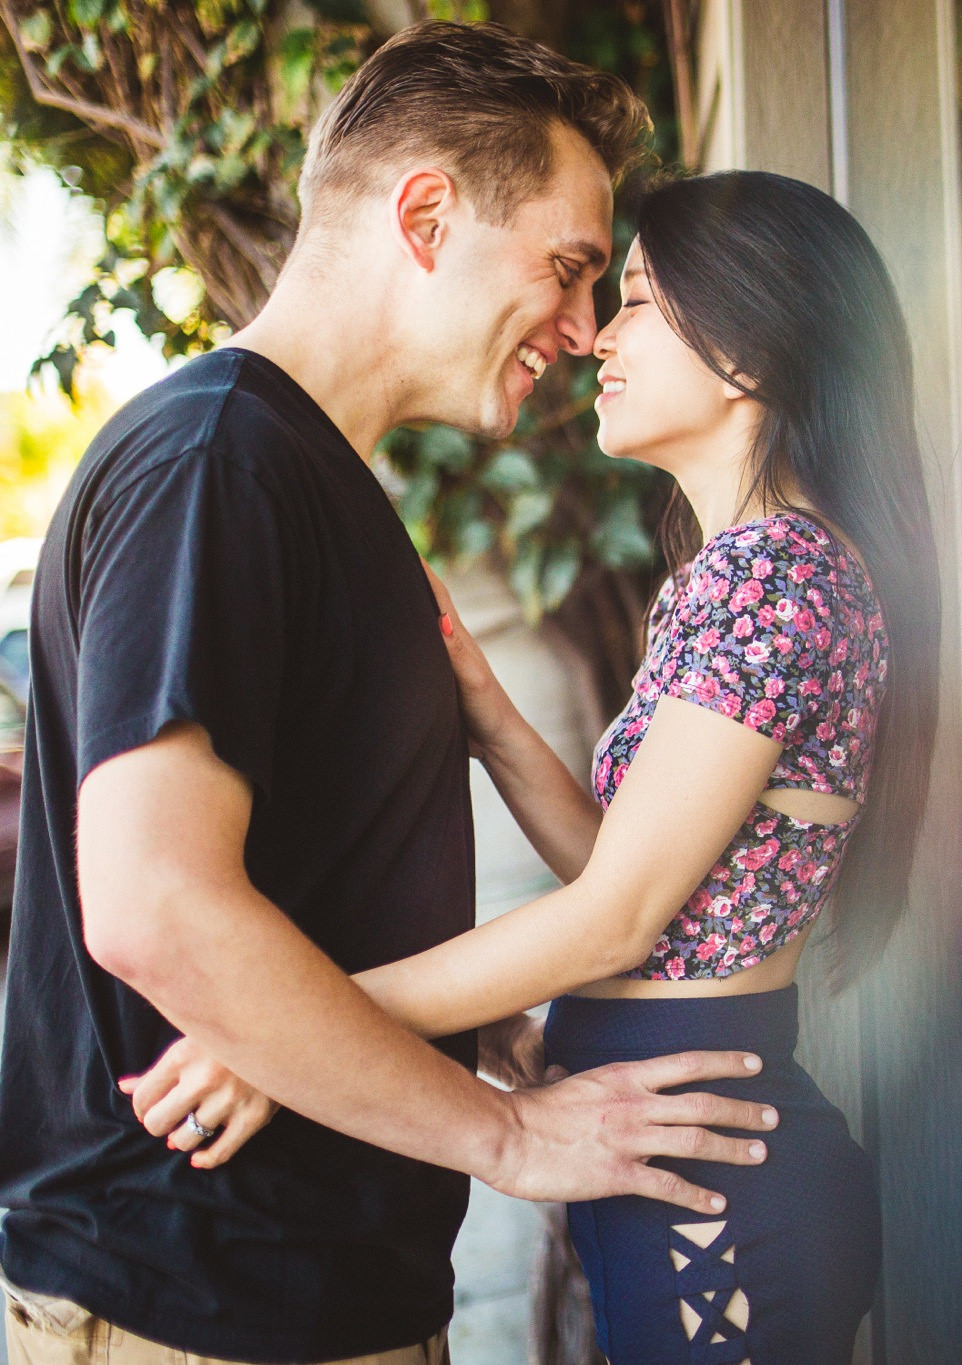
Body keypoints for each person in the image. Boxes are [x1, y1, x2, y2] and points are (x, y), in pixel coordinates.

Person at [0, 24, 779, 1365]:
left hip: (306, 1302)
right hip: (198, 1306)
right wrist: (509, 1138)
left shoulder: (309, 478)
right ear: (426, 214)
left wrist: (488, 1042)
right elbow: (156, 908)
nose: (583, 326)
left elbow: (307, 901)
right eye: (569, 267)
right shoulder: (218, 464)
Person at [123, 171, 942, 1363]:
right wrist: (486, 707)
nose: (597, 334)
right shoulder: (754, 574)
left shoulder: (773, 579)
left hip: (708, 1177)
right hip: (685, 1151)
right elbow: (640, 878)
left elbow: (613, 920)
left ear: (750, 354)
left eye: (643, 301)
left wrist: (294, 1029)